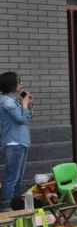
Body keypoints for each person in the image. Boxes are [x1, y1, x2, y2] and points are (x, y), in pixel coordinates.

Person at [0, 72, 33, 212]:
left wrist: (29, 105)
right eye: (18, 82)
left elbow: (27, 117)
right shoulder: (7, 102)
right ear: (11, 84)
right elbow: (20, 119)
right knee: (11, 178)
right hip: (14, 144)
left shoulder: (13, 100)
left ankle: (15, 205)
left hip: (21, 142)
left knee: (18, 178)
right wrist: (24, 104)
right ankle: (7, 207)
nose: (21, 84)